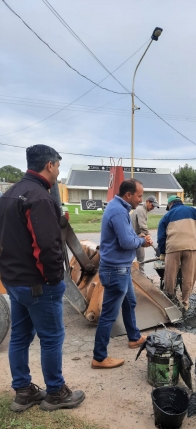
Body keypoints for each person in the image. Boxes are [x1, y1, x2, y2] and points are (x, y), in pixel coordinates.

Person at [0, 144, 85, 412]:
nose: (58, 172)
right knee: (51, 338)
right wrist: (54, 281)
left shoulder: (8, 195)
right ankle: (56, 392)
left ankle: (23, 391)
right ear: (49, 165)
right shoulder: (40, 198)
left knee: (20, 337)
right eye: (58, 166)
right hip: (38, 284)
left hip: (14, 282)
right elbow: (47, 248)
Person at [92, 179, 152, 369]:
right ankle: (99, 357)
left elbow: (127, 236)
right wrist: (142, 242)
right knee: (109, 315)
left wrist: (139, 238)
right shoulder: (118, 211)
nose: (141, 200)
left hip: (121, 269)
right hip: (115, 270)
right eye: (139, 196)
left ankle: (134, 337)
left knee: (130, 302)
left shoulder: (119, 207)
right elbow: (126, 242)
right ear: (128, 195)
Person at [157, 195, 196, 311]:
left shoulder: (167, 216)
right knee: (188, 277)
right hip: (191, 248)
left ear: (170, 205)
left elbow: (161, 237)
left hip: (173, 248)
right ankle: (185, 303)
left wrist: (162, 252)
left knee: (169, 276)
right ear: (180, 202)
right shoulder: (193, 211)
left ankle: (171, 301)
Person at [131, 195, 159, 274]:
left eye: (154, 206)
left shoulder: (144, 210)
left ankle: (141, 276)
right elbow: (142, 226)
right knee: (135, 258)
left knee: (141, 258)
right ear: (147, 202)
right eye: (152, 205)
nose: (153, 207)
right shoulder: (141, 210)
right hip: (133, 237)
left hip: (138, 235)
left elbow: (141, 227)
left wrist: (144, 234)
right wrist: (148, 235)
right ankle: (137, 277)